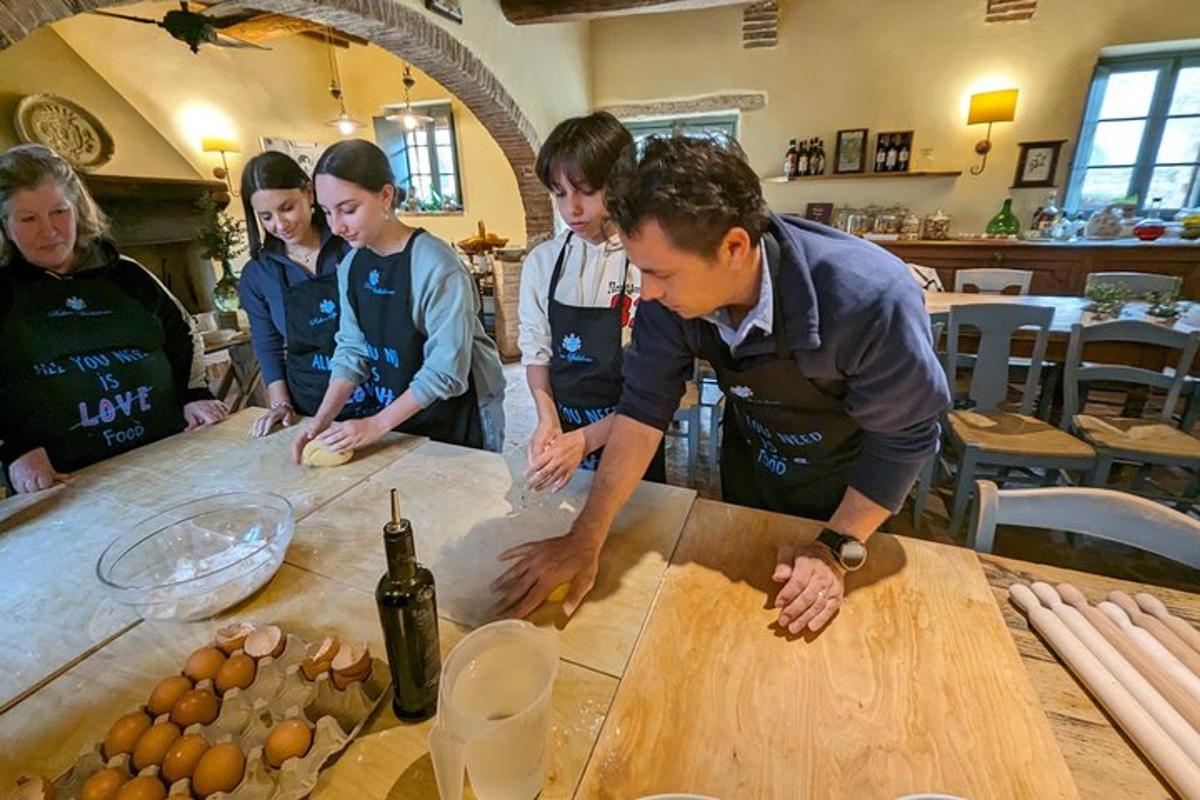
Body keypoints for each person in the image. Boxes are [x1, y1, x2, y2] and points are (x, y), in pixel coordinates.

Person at [494, 136, 950, 633]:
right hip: (754, 466)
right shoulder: (668, 303)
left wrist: (836, 547)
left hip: (856, 491)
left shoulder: (868, 298)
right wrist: (586, 536)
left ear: (734, 246)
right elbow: (643, 410)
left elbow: (904, 437)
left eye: (659, 272)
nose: (647, 292)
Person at [0, 144, 228, 493]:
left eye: (59, 211)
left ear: (77, 209)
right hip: (69, 480)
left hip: (169, 452)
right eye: (28, 218)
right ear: (4, 224)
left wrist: (193, 393)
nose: (50, 231)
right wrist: (14, 447)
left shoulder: (127, 275)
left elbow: (184, 333)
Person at [291, 139, 505, 461]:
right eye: (326, 212)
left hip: (460, 410)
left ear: (386, 196)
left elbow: (445, 370)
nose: (336, 227)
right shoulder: (351, 266)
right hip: (399, 409)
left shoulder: (436, 265)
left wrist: (376, 425)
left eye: (348, 209)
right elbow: (352, 349)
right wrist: (321, 420)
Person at [519, 112, 664, 493]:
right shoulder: (543, 262)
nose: (572, 210)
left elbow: (660, 386)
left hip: (633, 432)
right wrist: (547, 420)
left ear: (621, 184)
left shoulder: (648, 263)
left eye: (585, 191)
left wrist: (586, 439)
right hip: (564, 433)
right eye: (559, 193)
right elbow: (537, 353)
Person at [237, 151, 377, 438]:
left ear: (309, 194)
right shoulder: (258, 275)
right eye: (266, 217)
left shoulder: (352, 244)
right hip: (310, 407)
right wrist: (280, 404)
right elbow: (269, 347)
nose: (280, 224)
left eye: (287, 207)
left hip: (378, 397)